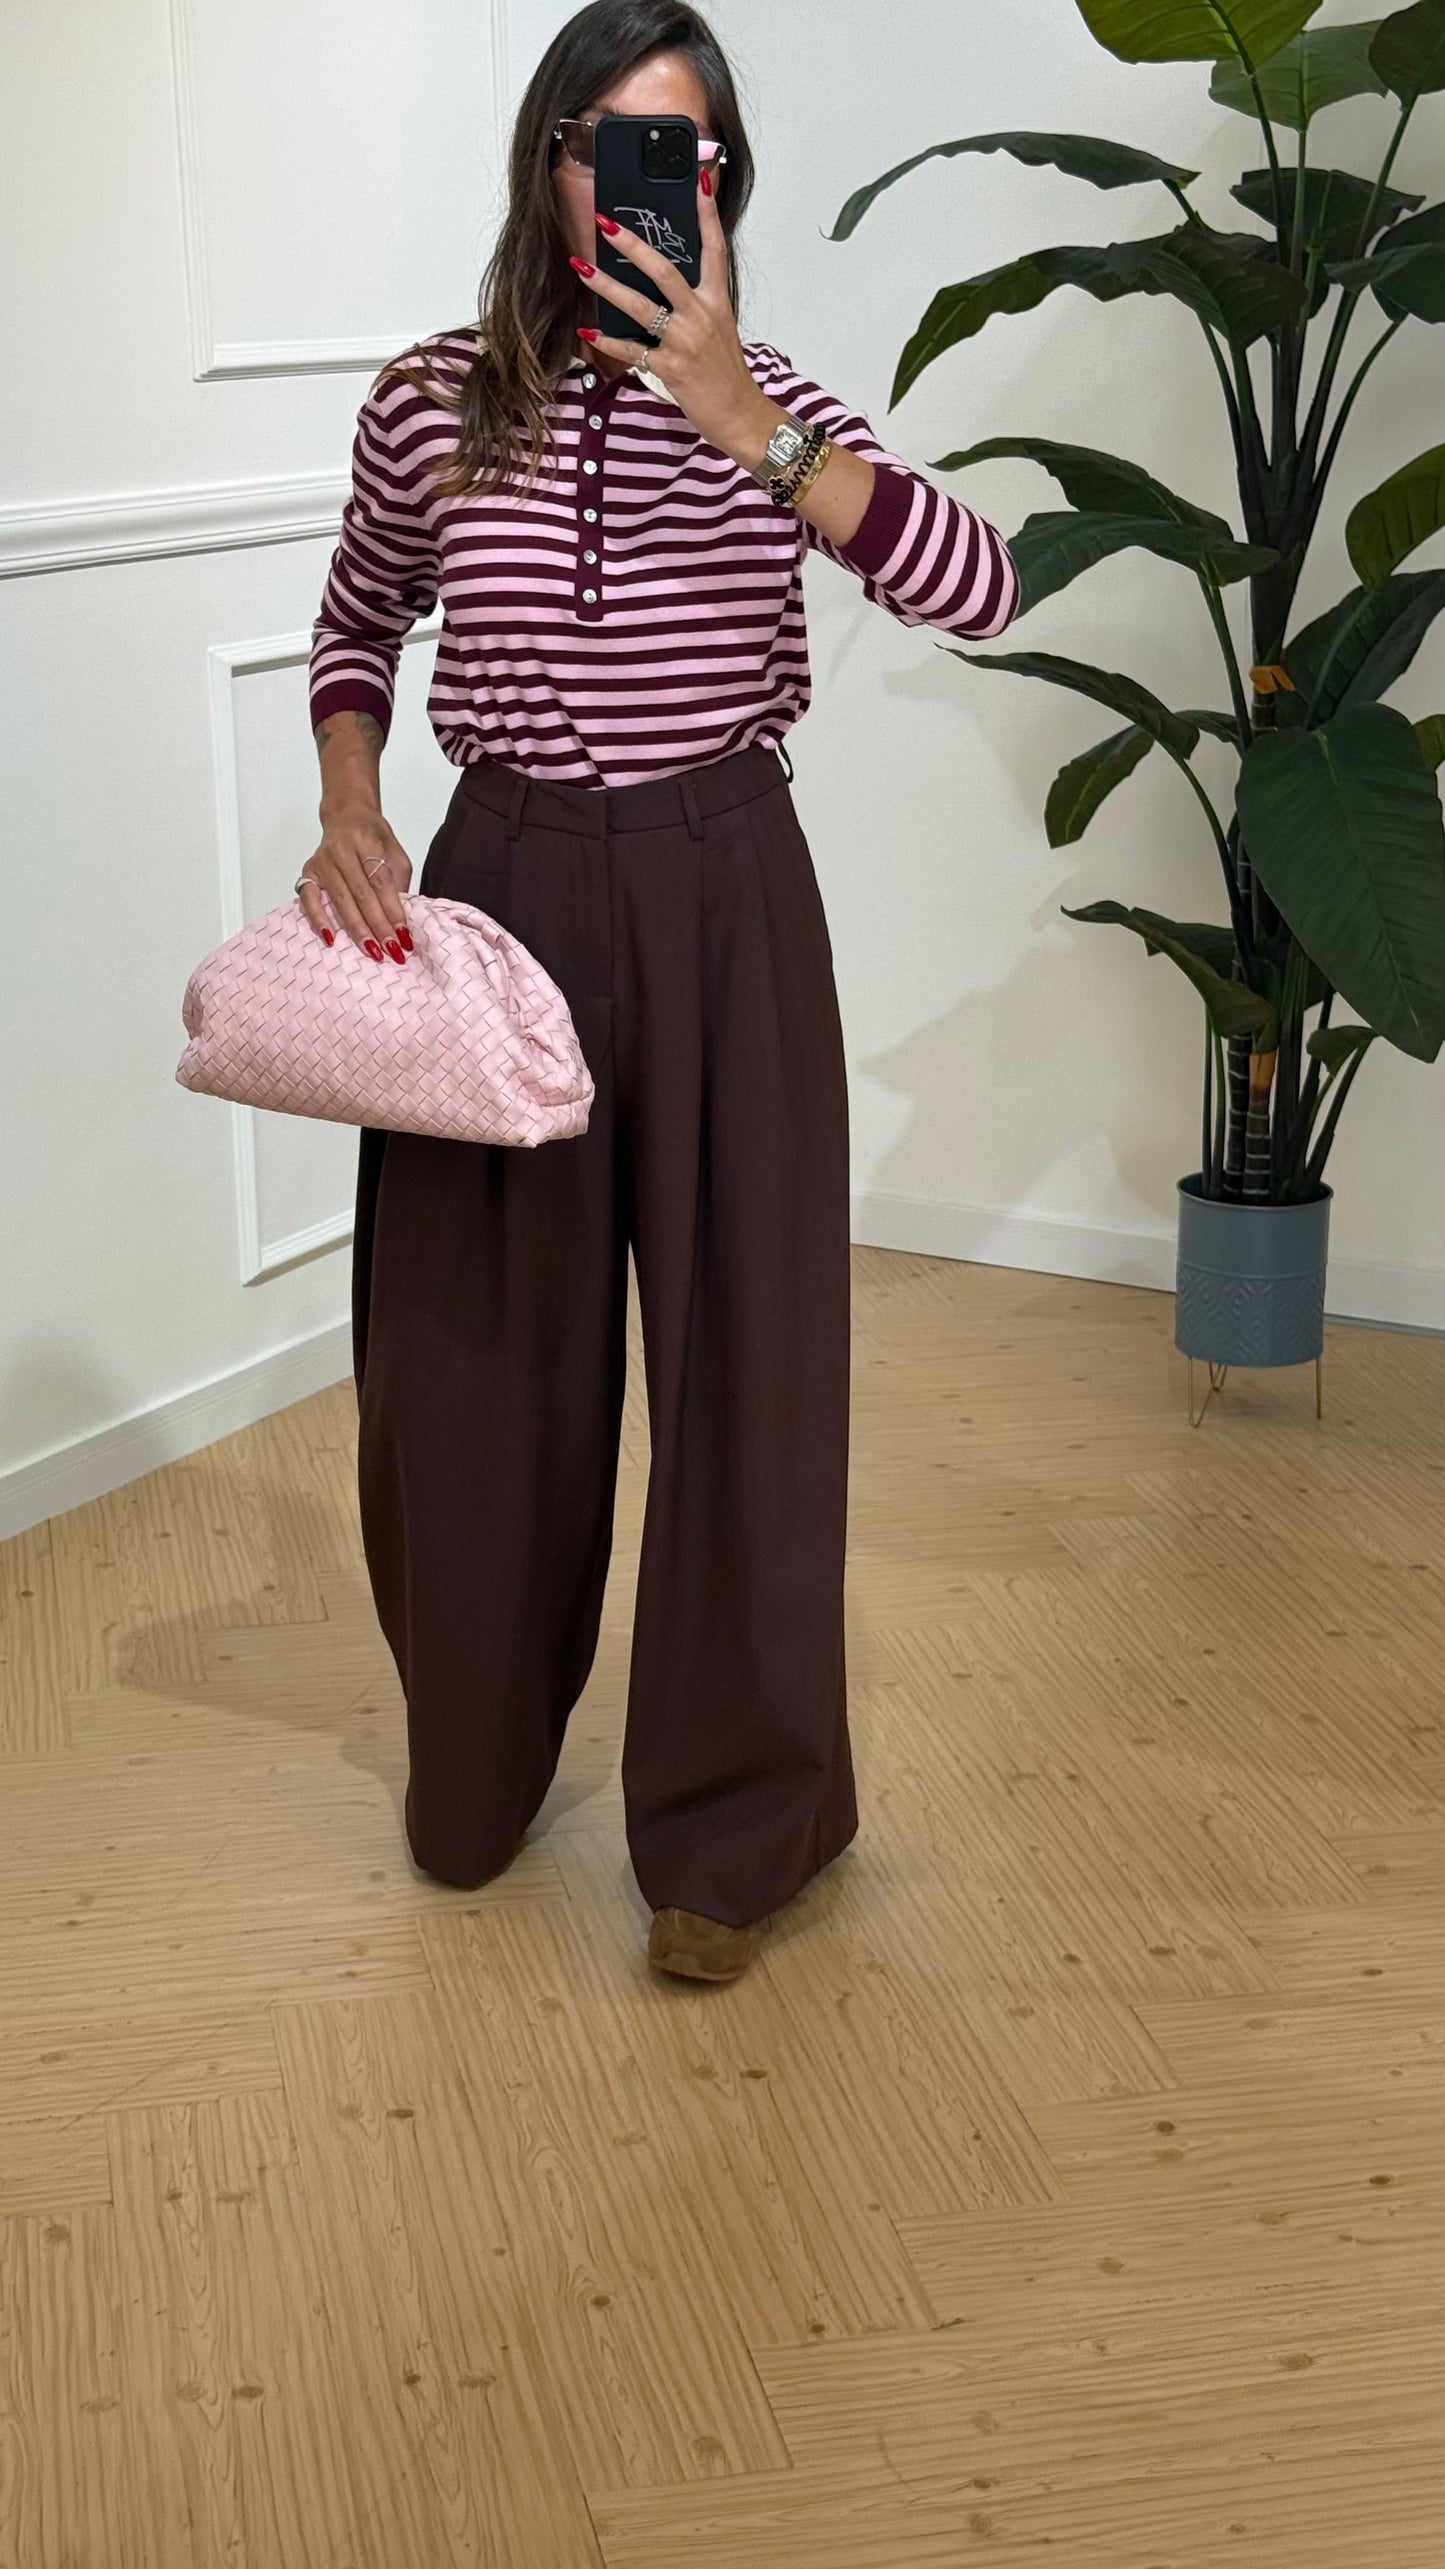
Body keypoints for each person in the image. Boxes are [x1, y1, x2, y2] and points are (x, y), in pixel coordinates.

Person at [300, 0, 1018, 1984]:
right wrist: (353, 803)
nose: (639, 183)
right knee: (464, 1361)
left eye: (681, 151)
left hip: (725, 895)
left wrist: (745, 421)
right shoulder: (430, 403)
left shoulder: (773, 404)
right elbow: (357, 621)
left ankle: (732, 1834)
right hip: (501, 889)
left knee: (745, 1364)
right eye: (604, 144)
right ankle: (476, 1760)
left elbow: (981, 584)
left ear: (718, 187)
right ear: (547, 169)